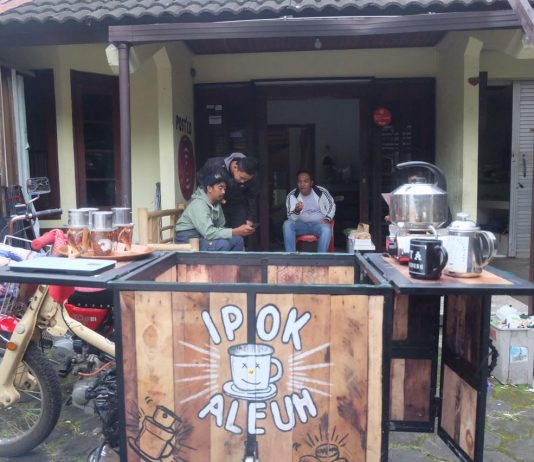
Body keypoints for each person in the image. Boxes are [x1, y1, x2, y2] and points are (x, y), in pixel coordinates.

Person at [174, 172, 255, 251]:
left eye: (224, 189)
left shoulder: (216, 204)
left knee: (238, 240)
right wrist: (235, 231)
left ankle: (232, 261)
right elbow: (208, 233)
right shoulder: (199, 204)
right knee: (223, 244)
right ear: (209, 188)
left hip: (202, 236)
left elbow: (220, 226)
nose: (223, 192)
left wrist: (237, 233)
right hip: (187, 238)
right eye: (220, 188)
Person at [197, 152, 259, 228]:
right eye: (242, 178)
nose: (243, 181)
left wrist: (250, 218)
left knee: (239, 231)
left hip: (238, 204)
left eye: (247, 180)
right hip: (216, 203)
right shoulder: (214, 165)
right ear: (235, 167)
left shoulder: (252, 175)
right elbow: (201, 180)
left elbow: (252, 197)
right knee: (216, 229)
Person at [283, 169, 336, 252]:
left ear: (311, 183)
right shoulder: (292, 195)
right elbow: (290, 217)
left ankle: (321, 257)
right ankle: (291, 255)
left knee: (326, 229)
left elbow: (331, 206)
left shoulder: (321, 192)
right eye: (300, 182)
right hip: (301, 225)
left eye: (306, 181)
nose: (302, 184)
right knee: (287, 224)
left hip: (318, 225)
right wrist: (296, 210)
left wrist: (327, 219)